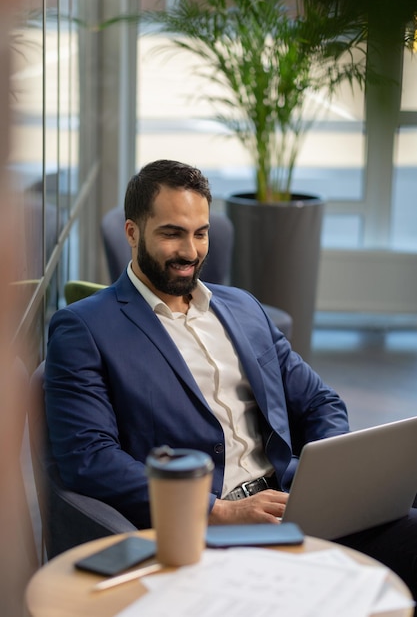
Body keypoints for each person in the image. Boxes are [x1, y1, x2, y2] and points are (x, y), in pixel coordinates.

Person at [45, 159, 417, 599]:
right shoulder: (83, 328)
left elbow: (318, 402)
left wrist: (330, 481)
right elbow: (89, 458)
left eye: (200, 233)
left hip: (292, 502)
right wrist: (218, 511)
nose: (190, 250)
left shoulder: (243, 307)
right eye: (171, 233)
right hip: (205, 532)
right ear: (132, 232)